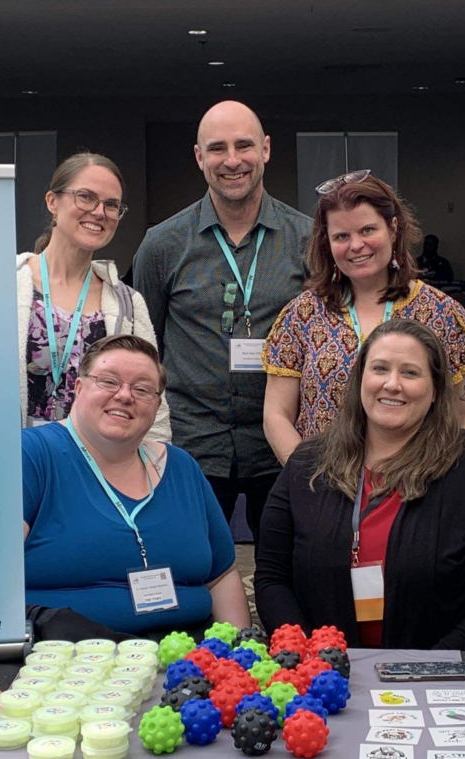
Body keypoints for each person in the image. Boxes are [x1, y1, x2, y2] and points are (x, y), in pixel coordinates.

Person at [254, 319, 465, 650]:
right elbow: (272, 578)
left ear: (435, 390)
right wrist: (308, 653)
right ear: (361, 380)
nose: (392, 384)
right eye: (380, 368)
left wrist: (434, 665)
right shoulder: (307, 465)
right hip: (328, 678)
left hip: (449, 680)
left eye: (410, 373)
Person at [132, 101, 311, 543]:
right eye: (218, 149)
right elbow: (143, 345)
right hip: (193, 443)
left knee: (289, 567)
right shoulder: (162, 244)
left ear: (266, 150)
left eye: (244, 145)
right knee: (191, 567)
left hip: (282, 443)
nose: (232, 160)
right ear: (199, 157)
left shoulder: (308, 239)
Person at [22, 334, 251, 638]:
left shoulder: (183, 468)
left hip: (188, 661)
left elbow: (222, 577)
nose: (125, 395)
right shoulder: (33, 456)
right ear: (78, 388)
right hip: (74, 665)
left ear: (157, 405)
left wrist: (238, 660)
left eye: (142, 389)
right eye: (108, 381)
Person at [262, 172, 465, 464]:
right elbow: (276, 415)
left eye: (367, 230)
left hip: (422, 492)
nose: (356, 245)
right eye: (342, 236)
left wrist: (463, 484)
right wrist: (306, 484)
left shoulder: (442, 313)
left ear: (392, 230)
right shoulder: (302, 316)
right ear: (327, 243)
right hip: (325, 490)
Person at [17, 152, 169, 438]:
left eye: (111, 204)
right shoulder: (4, 286)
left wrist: (153, 466)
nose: (99, 212)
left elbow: (150, 398)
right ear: (53, 202)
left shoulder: (128, 304)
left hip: (95, 468)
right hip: (15, 465)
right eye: (86, 197)